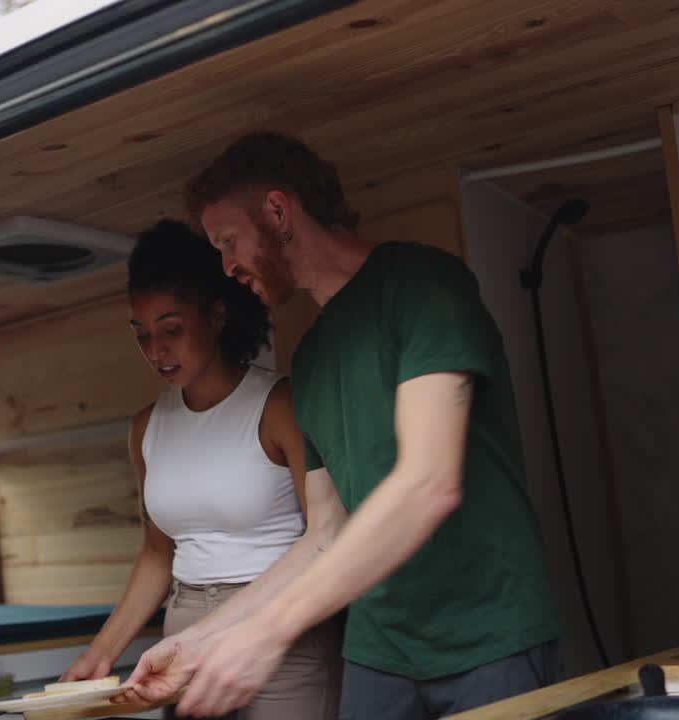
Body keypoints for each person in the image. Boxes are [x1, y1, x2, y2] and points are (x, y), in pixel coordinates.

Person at [120, 134, 561, 720]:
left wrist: (269, 633)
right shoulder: (313, 357)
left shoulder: (422, 286)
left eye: (228, 242)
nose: (226, 266)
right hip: (380, 651)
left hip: (489, 636)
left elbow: (428, 484)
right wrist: (202, 640)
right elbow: (325, 532)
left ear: (278, 212)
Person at [60, 219, 342, 719]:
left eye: (171, 330)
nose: (156, 351)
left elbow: (326, 536)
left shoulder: (280, 405)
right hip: (182, 636)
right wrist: (101, 654)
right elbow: (157, 554)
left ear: (216, 315)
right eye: (142, 335)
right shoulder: (146, 428)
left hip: (281, 637)